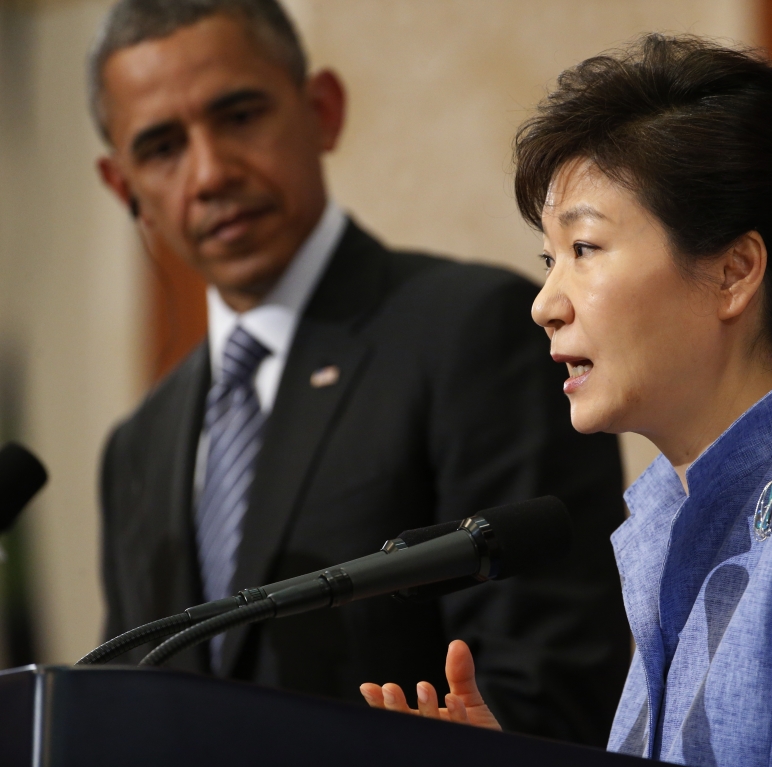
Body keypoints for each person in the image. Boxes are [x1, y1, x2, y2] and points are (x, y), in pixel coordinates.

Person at [361, 34, 772, 766]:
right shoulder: (679, 516)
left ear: (734, 270)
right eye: (549, 259)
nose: (545, 303)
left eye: (586, 249)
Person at [91, 0, 631, 746]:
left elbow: (547, 689)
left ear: (323, 112)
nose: (210, 171)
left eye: (240, 115)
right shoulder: (137, 445)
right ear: (123, 186)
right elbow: (122, 709)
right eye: (162, 148)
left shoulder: (470, 331)